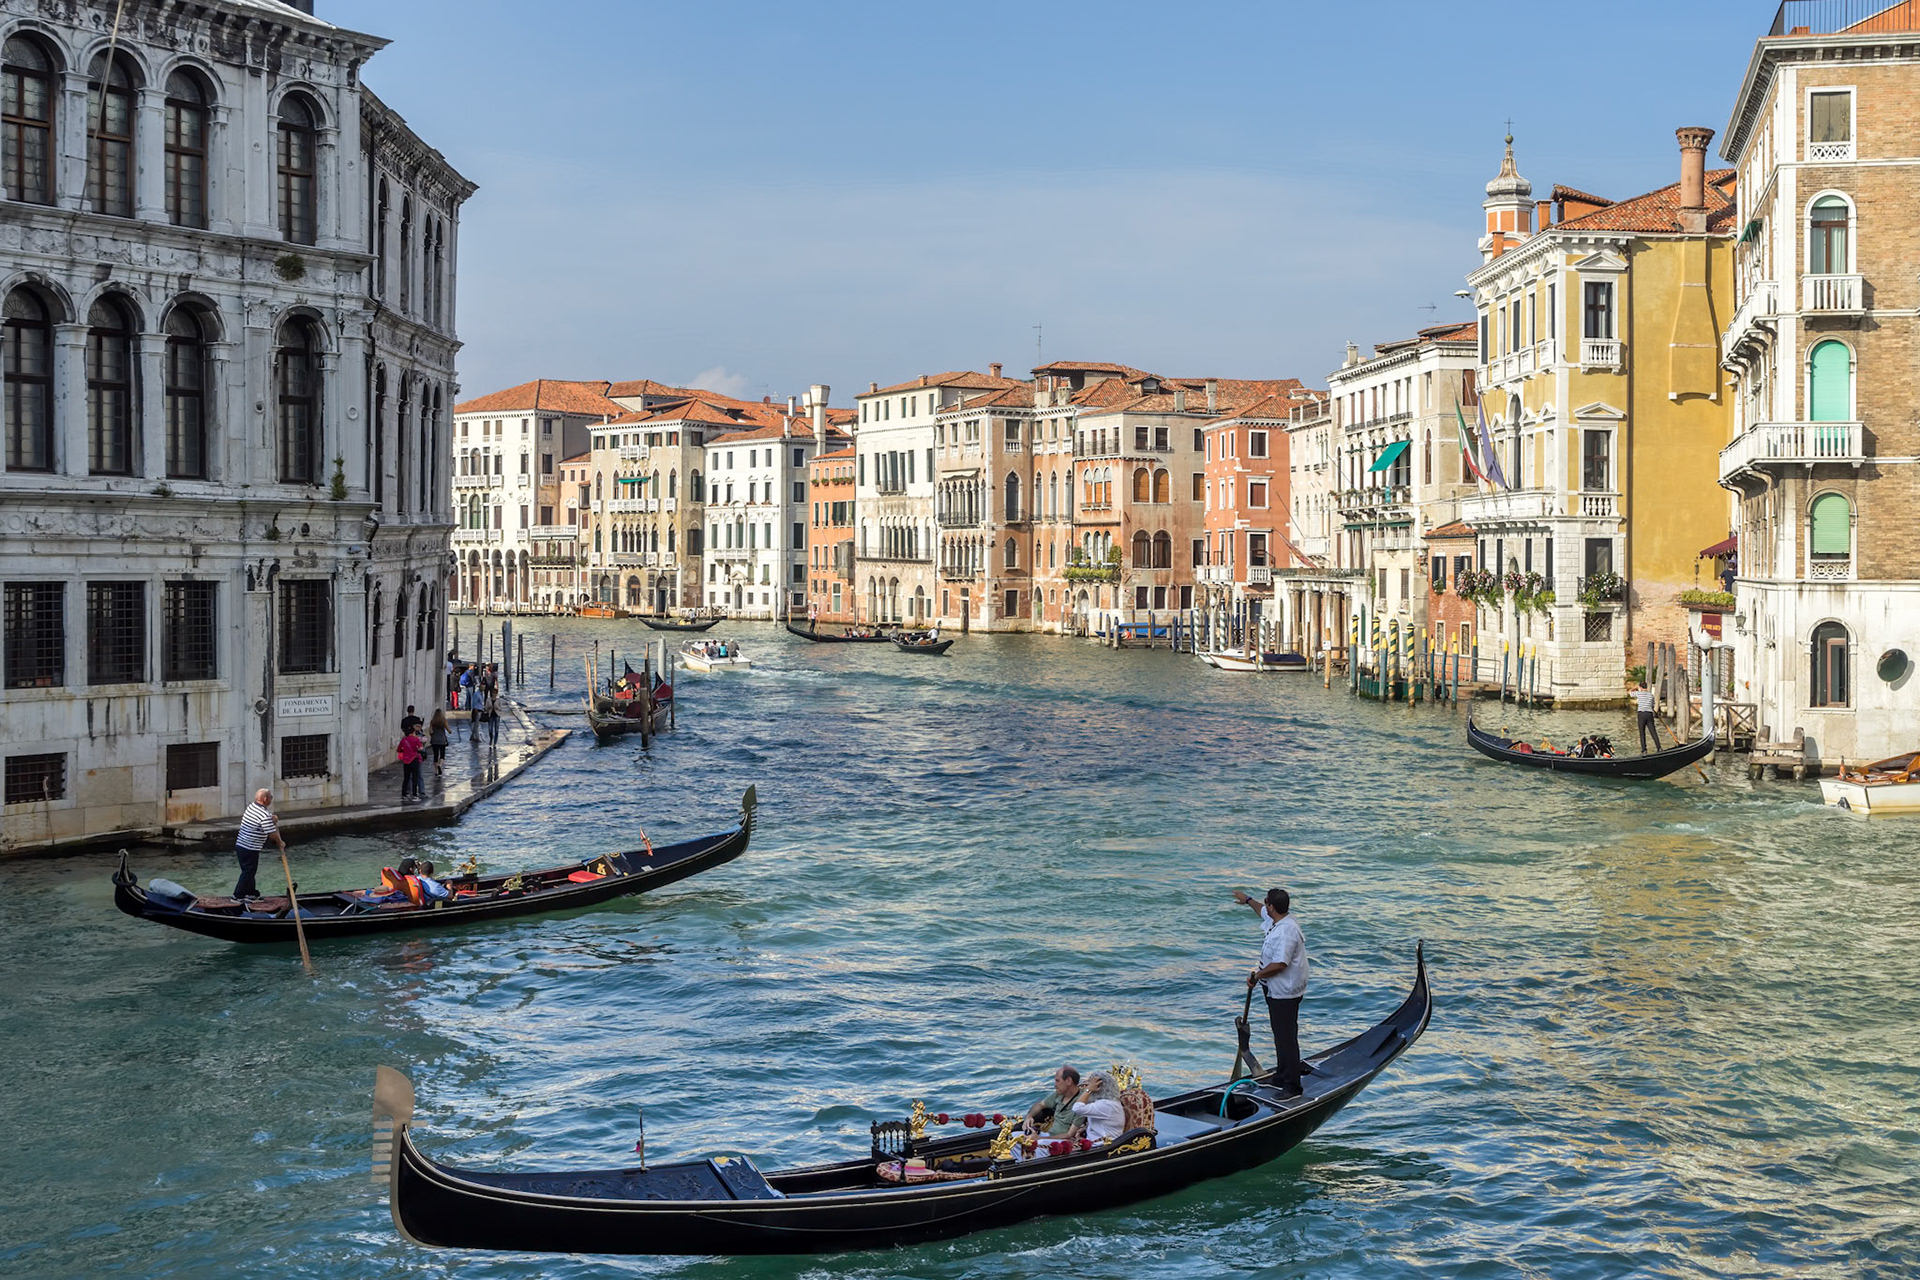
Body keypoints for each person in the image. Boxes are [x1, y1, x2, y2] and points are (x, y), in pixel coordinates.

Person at [1233, 886, 1310, 1097]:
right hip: (1275, 990)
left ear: (1273, 906)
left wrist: (1256, 976)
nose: (1264, 906)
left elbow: (1280, 964)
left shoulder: (1287, 931)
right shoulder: (1278, 919)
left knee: (1286, 1038)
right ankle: (1282, 1073)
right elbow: (1261, 911)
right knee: (1279, 1035)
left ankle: (1292, 1086)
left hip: (1285, 992)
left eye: (1266, 903)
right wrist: (1247, 900)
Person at [234, 788, 285, 900]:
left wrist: (271, 819)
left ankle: (251, 893)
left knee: (249, 871)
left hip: (241, 845)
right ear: (265, 799)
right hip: (249, 847)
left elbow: (262, 819)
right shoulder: (264, 814)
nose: (271, 799)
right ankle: (237, 895)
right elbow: (272, 834)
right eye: (271, 797)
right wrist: (280, 842)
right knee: (249, 871)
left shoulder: (252, 807)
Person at [1021, 1065, 1082, 1137]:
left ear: (1069, 1081)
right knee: (1013, 1136)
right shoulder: (1059, 1094)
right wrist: (1029, 1116)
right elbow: (1040, 1105)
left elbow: (1069, 1135)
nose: (1055, 1085)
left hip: (1058, 1140)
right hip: (1047, 1135)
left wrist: (1038, 1139)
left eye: (1057, 1081)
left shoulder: (1081, 1102)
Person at [1067, 1071, 1126, 1144]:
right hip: (1096, 1143)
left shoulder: (1106, 1105)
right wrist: (1085, 1129)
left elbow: (1077, 1108)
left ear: (1098, 1087)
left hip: (1101, 1147)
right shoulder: (1108, 1103)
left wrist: (1088, 1090)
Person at [397, 726, 425, 800]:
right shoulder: (416, 739)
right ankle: (414, 795)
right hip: (414, 760)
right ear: (413, 732)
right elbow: (420, 748)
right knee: (414, 777)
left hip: (406, 760)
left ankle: (404, 795)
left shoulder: (404, 740)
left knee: (406, 778)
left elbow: (399, 749)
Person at [1633, 677, 1659, 753]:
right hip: (1649, 714)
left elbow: (1629, 692)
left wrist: (1635, 688)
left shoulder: (1638, 693)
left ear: (1640, 687)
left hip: (1641, 714)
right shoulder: (1651, 695)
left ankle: (1644, 750)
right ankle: (1659, 747)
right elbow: (1653, 705)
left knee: (1642, 732)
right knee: (1653, 732)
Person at [428, 708, 450, 773]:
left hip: (434, 739)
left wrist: (432, 734)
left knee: (435, 755)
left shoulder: (432, 721)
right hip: (442, 740)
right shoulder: (444, 721)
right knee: (442, 754)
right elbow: (448, 730)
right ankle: (440, 765)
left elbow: (430, 731)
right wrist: (449, 731)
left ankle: (436, 770)